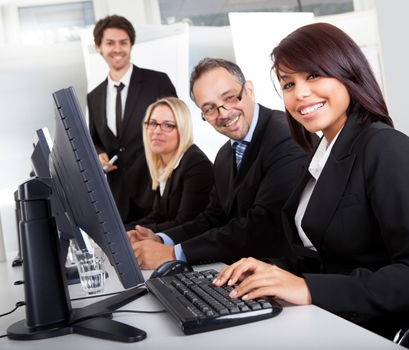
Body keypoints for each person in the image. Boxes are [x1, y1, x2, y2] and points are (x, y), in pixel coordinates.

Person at [214, 23, 409, 349]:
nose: (300, 94)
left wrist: (309, 289)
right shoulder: (319, 154)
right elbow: (328, 255)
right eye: (288, 83)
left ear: (347, 72)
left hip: (377, 333)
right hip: (329, 322)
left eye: (312, 76)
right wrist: (270, 269)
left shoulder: (387, 149)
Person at [129, 58, 310, 269]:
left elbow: (265, 225)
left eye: (231, 97)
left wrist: (174, 253)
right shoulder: (225, 154)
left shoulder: (286, 135)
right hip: (239, 269)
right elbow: (213, 217)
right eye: (209, 108)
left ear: (249, 90)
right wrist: (161, 239)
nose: (223, 113)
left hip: (287, 275)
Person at [87, 15, 177, 223]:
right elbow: (95, 139)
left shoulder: (157, 81)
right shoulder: (94, 96)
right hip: (118, 198)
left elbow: (178, 127)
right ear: (98, 47)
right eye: (110, 43)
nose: (117, 49)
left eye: (123, 42)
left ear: (131, 45)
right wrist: (100, 154)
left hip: (157, 191)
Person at [125, 97, 214, 233]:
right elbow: (157, 216)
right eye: (153, 123)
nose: (157, 131)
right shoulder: (164, 164)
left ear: (183, 130)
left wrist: (137, 234)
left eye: (168, 125)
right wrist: (121, 230)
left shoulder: (197, 165)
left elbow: (185, 223)